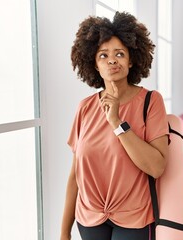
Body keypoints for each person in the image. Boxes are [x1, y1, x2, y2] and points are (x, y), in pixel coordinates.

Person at [60, 11, 169, 240]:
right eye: (103, 55)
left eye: (120, 54)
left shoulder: (151, 102)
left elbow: (157, 167)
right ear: (94, 64)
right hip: (89, 218)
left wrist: (117, 123)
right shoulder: (85, 108)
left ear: (131, 60)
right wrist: (64, 232)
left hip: (135, 218)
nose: (111, 60)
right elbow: (75, 176)